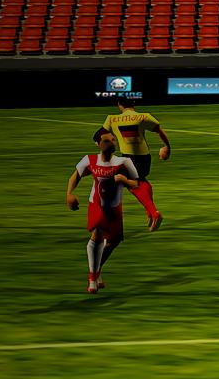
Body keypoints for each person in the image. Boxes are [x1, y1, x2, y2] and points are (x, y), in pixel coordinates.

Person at [64, 129, 138, 293]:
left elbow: (136, 184)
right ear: (97, 144)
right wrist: (69, 194)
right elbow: (75, 176)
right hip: (96, 204)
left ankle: (97, 271)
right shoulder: (89, 160)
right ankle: (92, 278)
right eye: (106, 140)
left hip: (115, 207)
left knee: (113, 242)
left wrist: (125, 180)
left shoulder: (124, 162)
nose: (111, 143)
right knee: (97, 235)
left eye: (113, 139)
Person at [94, 99, 168, 229]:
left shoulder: (111, 119)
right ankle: (150, 212)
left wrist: (102, 145)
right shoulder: (144, 116)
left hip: (128, 157)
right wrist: (167, 147)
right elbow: (159, 131)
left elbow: (97, 136)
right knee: (142, 181)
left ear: (119, 105)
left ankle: (153, 212)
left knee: (130, 183)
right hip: (145, 157)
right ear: (133, 104)